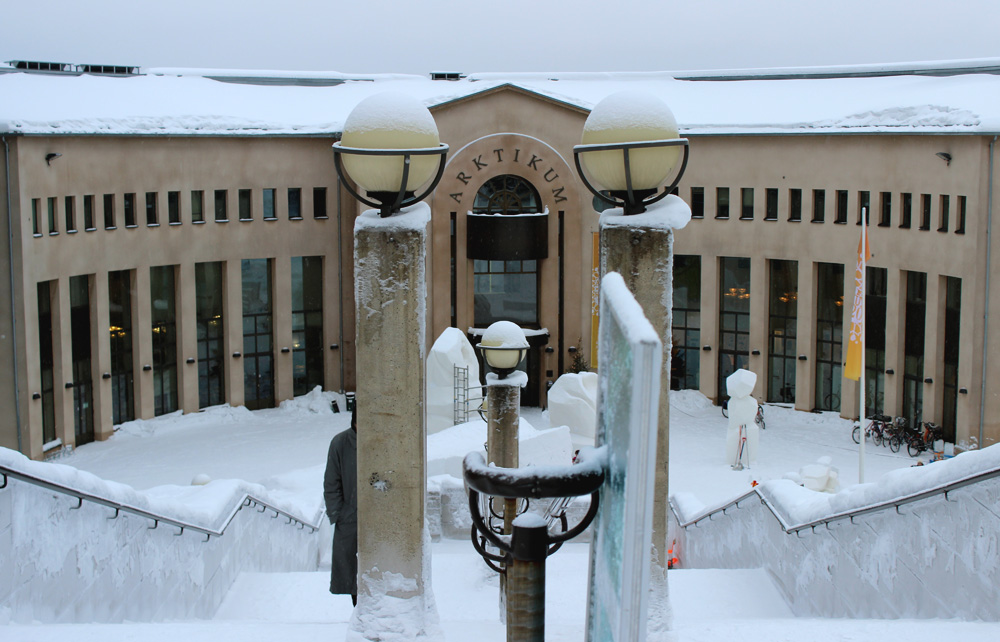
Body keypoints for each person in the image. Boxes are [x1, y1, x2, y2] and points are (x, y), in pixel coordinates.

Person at [324, 404, 358, 606]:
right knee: (351, 572)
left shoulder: (380, 441)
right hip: (349, 517)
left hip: (376, 518)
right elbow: (331, 481)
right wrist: (338, 513)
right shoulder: (340, 443)